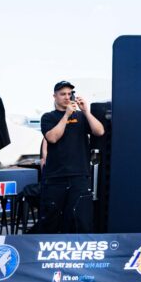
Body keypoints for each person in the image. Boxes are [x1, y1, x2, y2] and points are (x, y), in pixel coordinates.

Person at [39, 82, 104, 233]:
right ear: (54, 96)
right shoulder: (48, 117)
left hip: (79, 175)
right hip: (56, 177)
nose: (67, 97)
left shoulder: (81, 117)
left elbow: (99, 131)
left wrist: (86, 111)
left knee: (81, 218)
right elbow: (52, 138)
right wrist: (66, 115)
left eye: (69, 94)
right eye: (63, 94)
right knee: (52, 219)